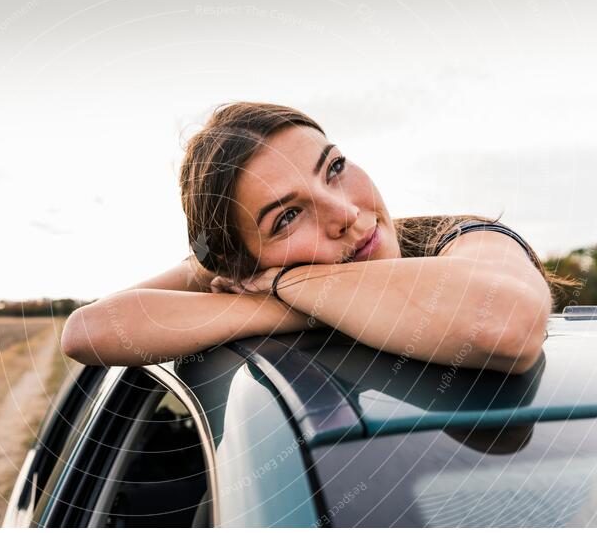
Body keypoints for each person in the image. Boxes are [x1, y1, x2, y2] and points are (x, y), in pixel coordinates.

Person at [62, 102, 574, 374]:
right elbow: (88, 332)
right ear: (243, 267)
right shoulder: (241, 272)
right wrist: (265, 286)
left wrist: (285, 289)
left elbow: (506, 324)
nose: (346, 213)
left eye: (333, 168)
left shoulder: (458, 236)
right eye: (286, 217)